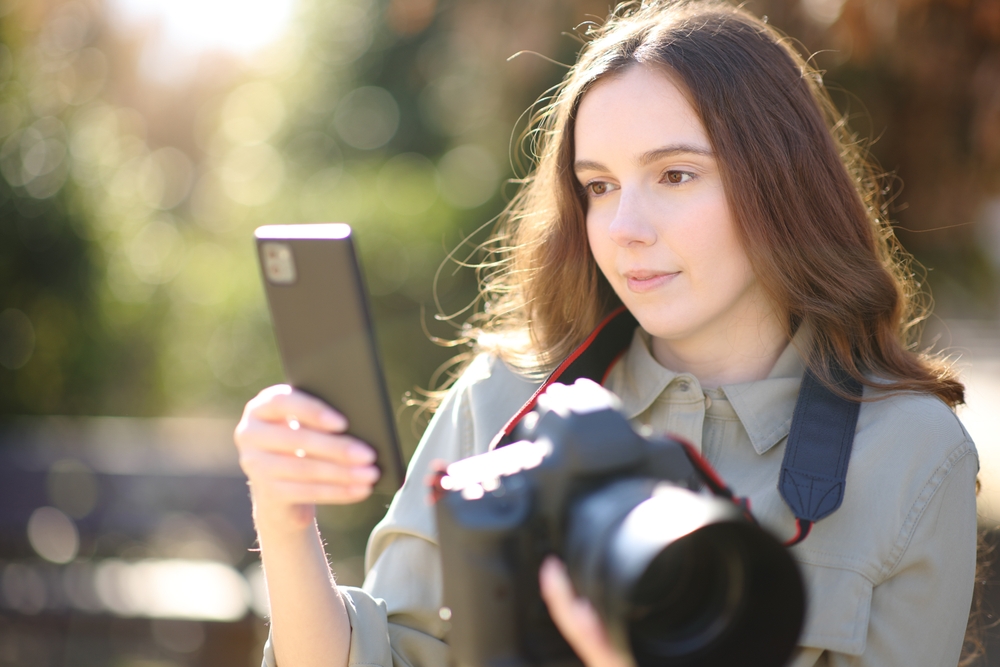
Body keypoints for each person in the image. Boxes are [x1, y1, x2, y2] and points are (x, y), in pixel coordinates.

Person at [234, 2, 979, 666]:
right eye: (599, 186)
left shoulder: (912, 452)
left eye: (675, 175)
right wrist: (283, 514)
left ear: (780, 181)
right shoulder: (505, 401)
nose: (625, 229)